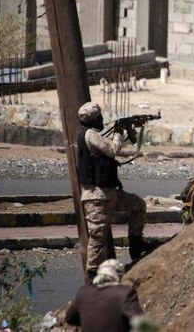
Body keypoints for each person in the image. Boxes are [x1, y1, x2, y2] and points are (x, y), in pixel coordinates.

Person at [77, 102, 148, 280]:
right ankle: (92, 275)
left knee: (138, 205)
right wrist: (118, 133)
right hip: (97, 198)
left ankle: (136, 245)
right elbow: (112, 149)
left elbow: (106, 144)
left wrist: (126, 128)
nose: (102, 119)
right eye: (100, 117)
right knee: (97, 239)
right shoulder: (90, 135)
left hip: (108, 194)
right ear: (94, 119)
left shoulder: (93, 135)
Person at [65, 259, 144, 332]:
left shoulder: (83, 293)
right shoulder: (124, 293)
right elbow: (141, 323)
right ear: (118, 276)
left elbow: (69, 318)